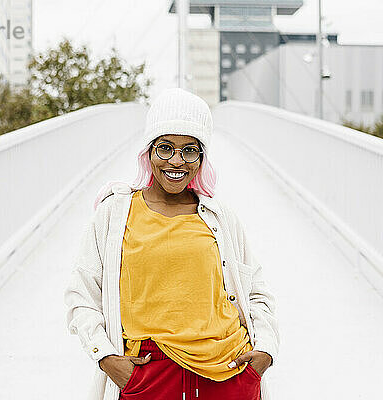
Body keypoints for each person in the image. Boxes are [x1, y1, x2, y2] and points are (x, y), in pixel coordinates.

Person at [64, 88, 280, 400]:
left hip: (228, 373)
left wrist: (264, 354)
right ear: (148, 152)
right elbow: (81, 293)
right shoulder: (115, 212)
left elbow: (257, 292)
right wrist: (107, 358)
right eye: (165, 148)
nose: (176, 161)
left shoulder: (221, 218)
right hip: (148, 375)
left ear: (202, 157)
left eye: (189, 150)